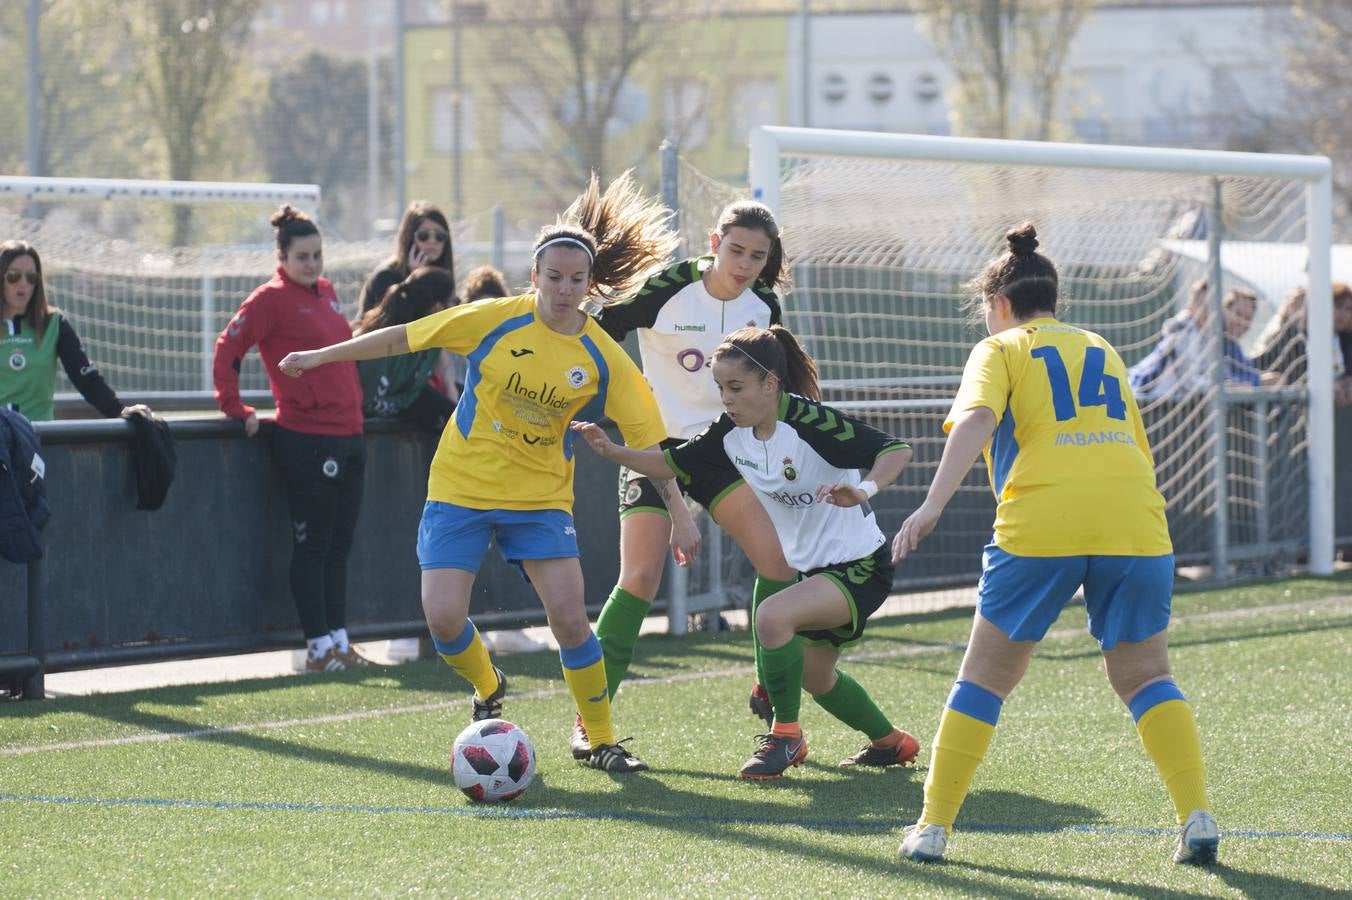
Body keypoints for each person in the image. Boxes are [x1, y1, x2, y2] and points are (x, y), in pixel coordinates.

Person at [276, 172, 697, 774]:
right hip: (461, 488)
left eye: (576, 280)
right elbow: (402, 339)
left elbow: (651, 440)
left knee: (572, 618)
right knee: (444, 616)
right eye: (553, 277)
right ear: (535, 277)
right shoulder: (494, 318)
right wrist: (322, 356)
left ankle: (599, 739)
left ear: (588, 285)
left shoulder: (602, 356)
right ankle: (488, 682)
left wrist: (679, 513)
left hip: (540, 500)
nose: (564, 289)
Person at [891, 224, 1218, 866]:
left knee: (984, 677)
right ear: (1054, 300)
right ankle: (1197, 816)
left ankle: (932, 827)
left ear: (1000, 304)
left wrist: (930, 505)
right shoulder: (1100, 344)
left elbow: (979, 420)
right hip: (1134, 522)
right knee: (1148, 675)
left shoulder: (1001, 348)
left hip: (1044, 521)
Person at [572, 325, 920, 780]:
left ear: (770, 384)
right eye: (720, 388)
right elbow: (670, 464)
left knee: (772, 616)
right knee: (816, 679)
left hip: (860, 568)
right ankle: (892, 743)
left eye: (736, 387)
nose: (727, 399)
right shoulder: (729, 433)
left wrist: (864, 488)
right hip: (813, 573)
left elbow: (896, 449)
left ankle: (786, 736)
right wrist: (613, 450)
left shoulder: (808, 422)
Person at [576, 200, 799, 760]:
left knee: (779, 564)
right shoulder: (671, 286)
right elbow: (601, 333)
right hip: (654, 448)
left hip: (721, 454)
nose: (745, 263)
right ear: (713, 240)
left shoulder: (763, 306)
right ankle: (591, 720)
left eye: (758, 255)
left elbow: (773, 388)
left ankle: (769, 687)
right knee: (641, 576)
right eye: (736, 249)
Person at [212, 205, 372, 673]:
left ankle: (340, 642)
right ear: (281, 256)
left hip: (349, 435)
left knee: (340, 546)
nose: (313, 264)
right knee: (313, 546)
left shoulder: (326, 292)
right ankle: (318, 648)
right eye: (303, 256)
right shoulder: (269, 299)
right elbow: (228, 348)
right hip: (307, 438)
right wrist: (234, 407)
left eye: (318, 255)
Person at [1, 240, 150, 422]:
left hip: (38, 438)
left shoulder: (54, 323)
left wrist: (119, 410)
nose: (23, 283)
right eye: (14, 276)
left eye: (31, 277)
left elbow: (85, 378)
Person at [1128, 279, 1276, 399]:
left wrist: (1233, 384)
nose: (1208, 313)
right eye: (1203, 306)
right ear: (1191, 306)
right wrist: (1226, 387)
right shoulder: (1182, 334)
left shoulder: (1206, 336)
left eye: (1212, 308)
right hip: (1152, 404)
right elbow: (1191, 382)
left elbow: (1215, 374)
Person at [355, 266, 458, 433]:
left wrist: (451, 389)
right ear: (437, 307)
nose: (457, 308)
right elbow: (366, 402)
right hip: (362, 415)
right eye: (454, 302)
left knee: (456, 419)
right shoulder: (381, 344)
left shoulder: (431, 339)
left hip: (402, 401)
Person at [1252, 283, 1352, 404]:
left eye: (1348, 309)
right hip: (1299, 409)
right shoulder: (1297, 337)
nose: (1343, 313)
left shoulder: (1346, 340)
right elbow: (1288, 374)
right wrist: (1326, 388)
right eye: (1338, 306)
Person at [358, 201, 454, 315]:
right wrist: (416, 281)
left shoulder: (443, 277)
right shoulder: (385, 276)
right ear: (409, 238)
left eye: (439, 235)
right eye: (424, 235)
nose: (432, 241)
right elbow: (389, 323)